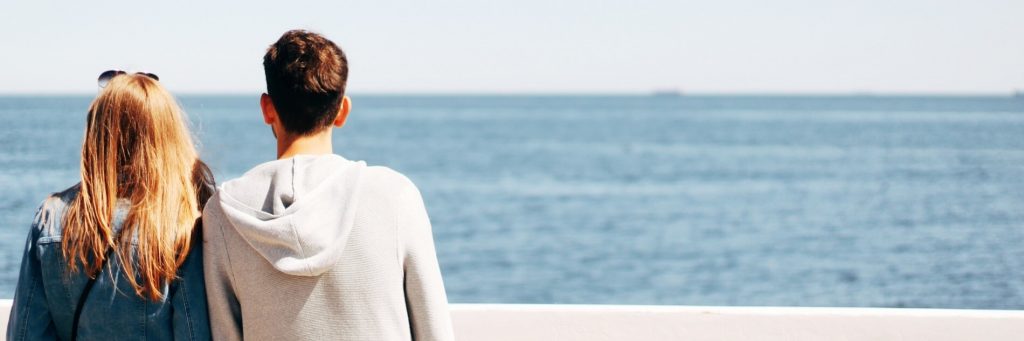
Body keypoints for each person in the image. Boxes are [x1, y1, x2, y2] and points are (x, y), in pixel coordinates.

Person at [201, 30, 455, 340]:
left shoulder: (222, 214)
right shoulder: (395, 197)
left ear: (267, 108)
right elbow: (434, 331)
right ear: (342, 110)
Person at [7, 72, 214, 340]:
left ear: (97, 135)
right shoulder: (181, 226)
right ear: (167, 138)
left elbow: (26, 334)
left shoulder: (52, 218)